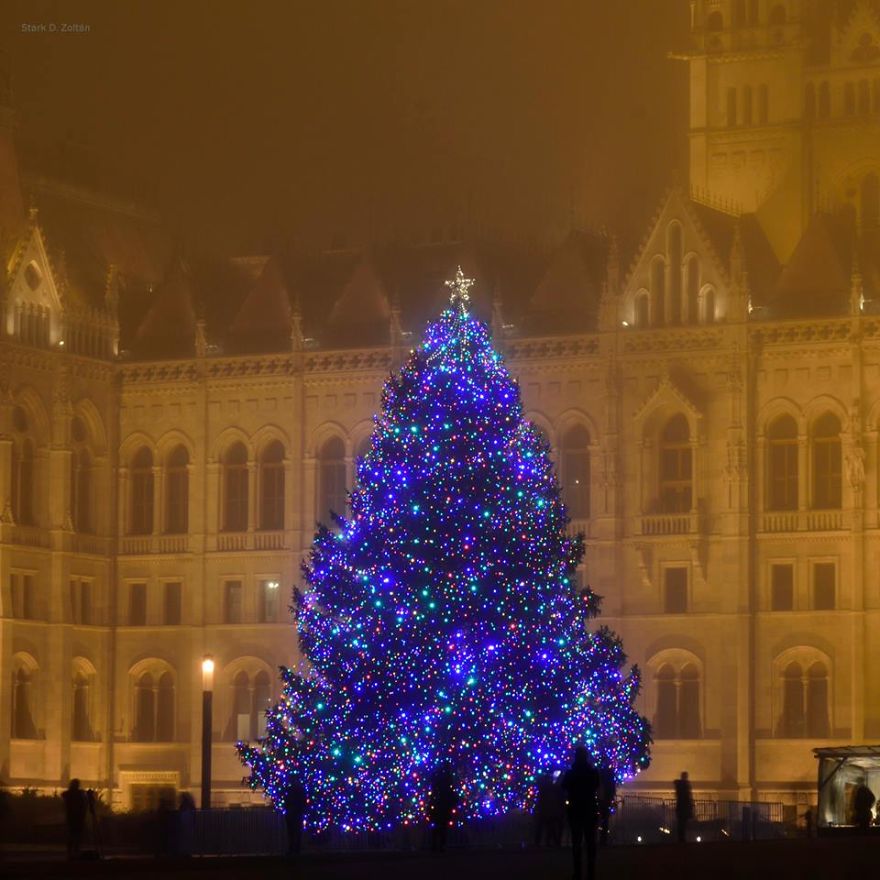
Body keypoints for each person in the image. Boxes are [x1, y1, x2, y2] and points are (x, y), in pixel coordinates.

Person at [562, 746, 600, 880]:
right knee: (590, 842)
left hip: (576, 810)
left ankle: (578, 872)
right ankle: (591, 872)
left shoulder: (571, 773)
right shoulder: (592, 772)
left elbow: (564, 786)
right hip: (589, 809)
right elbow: (596, 785)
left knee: (577, 843)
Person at [428, 763, 457, 852]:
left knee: (439, 825)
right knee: (441, 826)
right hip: (442, 805)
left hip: (439, 805)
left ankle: (437, 846)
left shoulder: (439, 779)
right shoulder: (446, 780)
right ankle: (439, 846)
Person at [534, 772, 564, 847]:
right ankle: (553, 842)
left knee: (546, 825)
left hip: (546, 809)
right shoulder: (553, 788)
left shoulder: (544, 788)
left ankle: (541, 842)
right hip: (550, 809)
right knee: (550, 825)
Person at [61, 779, 88, 859]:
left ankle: (72, 852)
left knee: (73, 835)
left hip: (74, 817)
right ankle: (74, 851)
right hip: (76, 817)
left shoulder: (70, 794)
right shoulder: (78, 794)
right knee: (75, 835)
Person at [283, 777, 307, 856]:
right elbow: (304, 801)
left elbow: (286, 801)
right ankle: (296, 850)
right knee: (296, 833)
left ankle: (293, 850)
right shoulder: (301, 790)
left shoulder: (290, 790)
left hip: (293, 813)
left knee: (292, 833)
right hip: (296, 813)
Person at [597, 763, 617, 847]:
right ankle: (602, 839)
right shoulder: (609, 781)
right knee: (604, 821)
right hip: (603, 801)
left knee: (603, 821)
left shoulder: (604, 781)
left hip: (602, 802)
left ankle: (602, 839)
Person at [673, 771, 694, 844]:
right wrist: (691, 805)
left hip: (680, 806)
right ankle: (682, 839)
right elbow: (688, 796)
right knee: (683, 823)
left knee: (681, 823)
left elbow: (678, 795)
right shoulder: (686, 785)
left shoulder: (679, 785)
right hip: (684, 807)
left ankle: (681, 838)